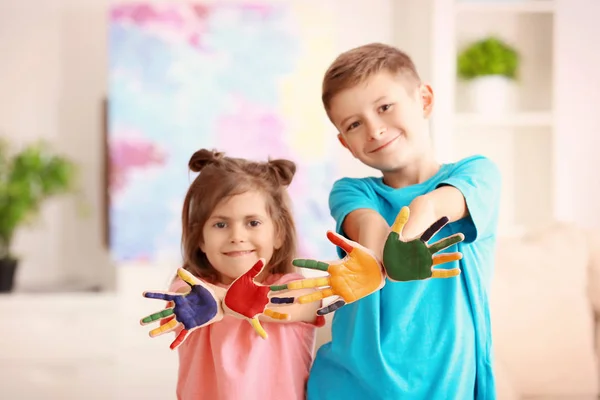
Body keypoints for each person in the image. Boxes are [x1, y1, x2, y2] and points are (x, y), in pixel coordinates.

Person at [306, 43, 502, 400]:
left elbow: (436, 205)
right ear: (345, 144)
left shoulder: (476, 173)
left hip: (446, 389)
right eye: (354, 124)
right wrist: (385, 254)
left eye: (384, 107)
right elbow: (369, 229)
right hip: (349, 386)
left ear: (424, 100)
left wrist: (416, 225)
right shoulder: (350, 192)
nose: (375, 130)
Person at [145, 148, 325, 400]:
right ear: (201, 240)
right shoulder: (189, 289)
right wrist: (208, 300)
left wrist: (228, 301)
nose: (237, 236)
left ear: (278, 234)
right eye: (220, 224)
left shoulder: (292, 287)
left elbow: (300, 303)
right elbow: (187, 298)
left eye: (253, 223)